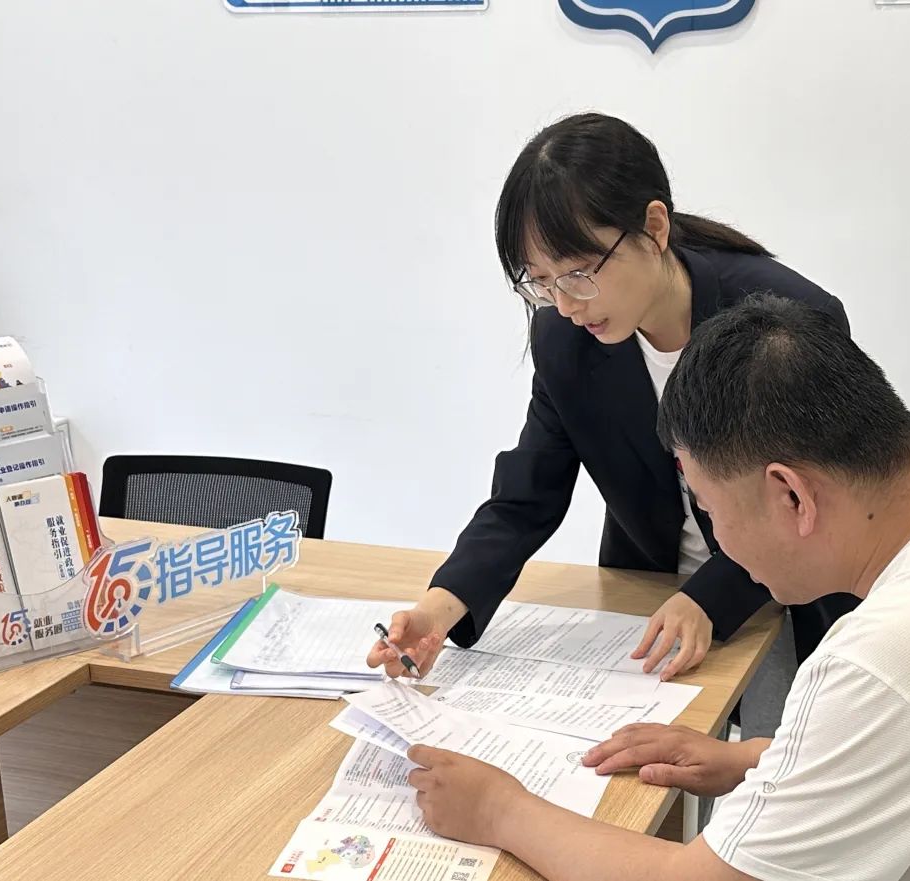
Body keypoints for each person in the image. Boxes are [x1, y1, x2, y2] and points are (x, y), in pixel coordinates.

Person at [406, 294, 910, 880]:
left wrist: (499, 810)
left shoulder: (886, 656)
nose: (716, 540)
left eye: (709, 510)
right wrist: (755, 759)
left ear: (791, 496)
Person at [368, 112, 859, 741]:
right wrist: (441, 606)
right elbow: (526, 496)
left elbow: (802, 504)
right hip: (646, 597)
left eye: (579, 274)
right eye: (540, 282)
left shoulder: (788, 322)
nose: (565, 304)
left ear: (654, 227)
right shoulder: (564, 339)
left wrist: (706, 597)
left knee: (771, 768)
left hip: (782, 596)